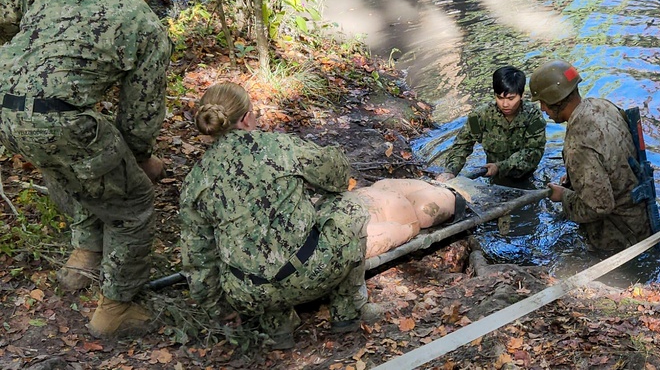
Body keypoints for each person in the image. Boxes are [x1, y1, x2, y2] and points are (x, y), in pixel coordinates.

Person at [179, 83, 462, 348]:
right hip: (306, 277)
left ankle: (278, 326)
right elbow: (337, 177)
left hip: (246, 295)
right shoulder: (277, 146)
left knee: (253, 255)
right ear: (246, 119)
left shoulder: (195, 180)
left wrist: (219, 309)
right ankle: (347, 311)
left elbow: (198, 257)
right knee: (348, 208)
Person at [0, 0, 171, 337]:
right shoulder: (145, 24)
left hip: (4, 112)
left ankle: (83, 256)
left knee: (72, 164)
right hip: (60, 120)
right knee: (132, 202)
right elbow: (139, 116)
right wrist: (140, 160)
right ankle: (115, 309)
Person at [528, 60, 651, 251]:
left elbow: (599, 207)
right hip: (642, 218)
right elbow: (611, 160)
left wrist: (563, 196)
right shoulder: (601, 106)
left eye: (543, 102)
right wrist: (575, 179)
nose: (543, 109)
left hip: (621, 238)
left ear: (556, 100)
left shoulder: (578, 143)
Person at [436, 66, 547, 183]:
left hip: (525, 177)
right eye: (500, 98)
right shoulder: (481, 116)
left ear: (522, 95)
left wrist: (499, 167)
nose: (505, 104)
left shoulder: (533, 116)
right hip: (494, 179)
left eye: (511, 98)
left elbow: (533, 153)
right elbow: (462, 145)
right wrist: (450, 171)